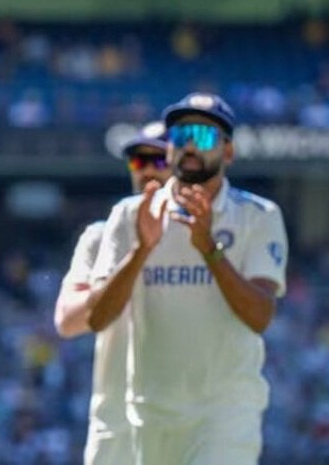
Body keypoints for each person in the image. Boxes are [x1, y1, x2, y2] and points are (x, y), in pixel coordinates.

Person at [86, 93, 288, 465]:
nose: (191, 145)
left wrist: (208, 249)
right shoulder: (130, 215)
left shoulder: (258, 216)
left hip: (226, 411)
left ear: (228, 152)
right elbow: (98, 318)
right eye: (180, 136)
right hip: (151, 411)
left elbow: (260, 316)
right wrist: (141, 251)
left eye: (205, 135)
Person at [53, 121, 171, 465]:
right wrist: (125, 266)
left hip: (187, 422)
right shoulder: (99, 237)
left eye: (159, 160)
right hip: (118, 427)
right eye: (138, 160)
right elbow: (67, 321)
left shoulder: (204, 237)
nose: (148, 169)